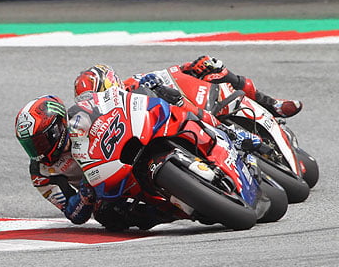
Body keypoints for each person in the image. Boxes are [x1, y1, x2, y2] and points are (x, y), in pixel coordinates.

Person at [15, 90, 174, 231]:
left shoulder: (81, 114)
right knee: (105, 214)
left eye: (40, 142)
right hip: (106, 187)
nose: (37, 150)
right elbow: (73, 214)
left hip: (122, 147)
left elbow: (115, 100)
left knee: (146, 94)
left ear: (58, 127)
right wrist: (84, 196)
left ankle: (185, 125)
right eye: (30, 146)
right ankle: (166, 213)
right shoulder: (40, 174)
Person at [75, 56, 302, 118]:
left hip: (190, 108)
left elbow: (170, 73)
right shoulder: (103, 124)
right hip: (170, 137)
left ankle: (271, 104)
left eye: (103, 92)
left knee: (210, 64)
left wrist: (191, 67)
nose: (103, 100)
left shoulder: (134, 82)